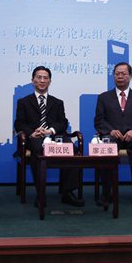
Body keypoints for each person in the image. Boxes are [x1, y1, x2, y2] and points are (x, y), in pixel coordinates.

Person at [14, 66, 85, 207]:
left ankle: (67, 192)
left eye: (45, 78)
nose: (42, 80)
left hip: (54, 135)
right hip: (35, 137)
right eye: (39, 77)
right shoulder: (24, 102)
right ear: (33, 80)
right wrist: (32, 132)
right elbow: (19, 123)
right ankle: (40, 193)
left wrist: (50, 131)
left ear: (50, 81)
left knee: (72, 149)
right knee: (38, 150)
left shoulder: (57, 102)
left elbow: (63, 122)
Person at [94, 62, 132, 207]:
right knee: (107, 144)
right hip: (113, 136)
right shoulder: (103, 97)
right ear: (113, 76)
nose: (120, 76)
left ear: (130, 76)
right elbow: (99, 120)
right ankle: (106, 192)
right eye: (117, 74)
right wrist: (110, 130)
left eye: (123, 74)